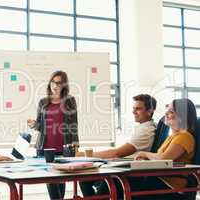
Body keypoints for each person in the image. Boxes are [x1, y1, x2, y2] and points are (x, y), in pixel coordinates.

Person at [90, 98, 197, 200]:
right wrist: (147, 159)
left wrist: (144, 154)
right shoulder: (173, 136)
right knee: (114, 182)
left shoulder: (184, 136)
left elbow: (164, 158)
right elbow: (161, 159)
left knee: (115, 182)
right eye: (166, 110)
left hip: (172, 184)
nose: (166, 114)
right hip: (160, 178)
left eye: (171, 112)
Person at [79, 94, 157, 196]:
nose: (133, 112)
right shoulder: (143, 127)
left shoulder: (146, 131)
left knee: (89, 180)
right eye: (133, 108)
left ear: (149, 111)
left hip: (129, 175)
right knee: (85, 179)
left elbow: (117, 153)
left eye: (138, 109)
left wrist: (85, 155)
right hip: (125, 169)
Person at [27, 70, 79, 200]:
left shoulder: (70, 101)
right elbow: (40, 125)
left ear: (64, 85)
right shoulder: (43, 102)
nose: (56, 86)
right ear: (50, 83)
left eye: (59, 83)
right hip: (45, 149)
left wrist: (76, 145)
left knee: (61, 181)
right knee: (51, 182)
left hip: (64, 148)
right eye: (53, 82)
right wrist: (34, 124)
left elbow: (74, 124)